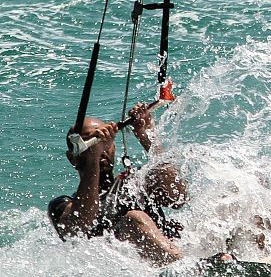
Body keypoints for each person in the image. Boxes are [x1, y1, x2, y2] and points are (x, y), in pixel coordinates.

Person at [46, 102, 186, 266]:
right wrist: (93, 158)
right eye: (90, 143)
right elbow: (78, 226)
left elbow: (178, 196)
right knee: (134, 218)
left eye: (104, 143)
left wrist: (145, 134)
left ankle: (203, 260)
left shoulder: (135, 182)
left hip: (176, 247)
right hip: (133, 263)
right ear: (72, 158)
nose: (101, 148)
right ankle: (186, 265)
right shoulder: (61, 206)